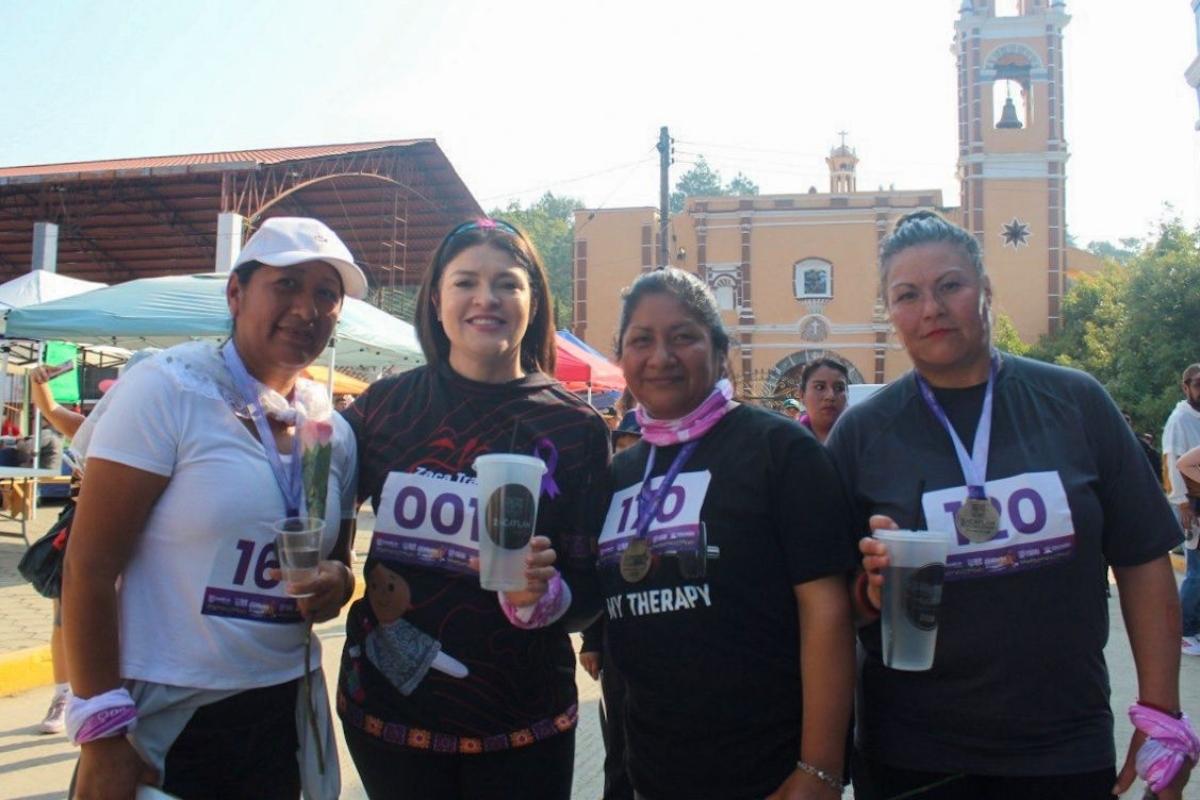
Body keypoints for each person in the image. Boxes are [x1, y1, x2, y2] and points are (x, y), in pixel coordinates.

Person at [828, 211, 1194, 799]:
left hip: (1062, 747)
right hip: (913, 754)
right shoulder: (861, 434)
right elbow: (829, 605)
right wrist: (870, 592)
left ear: (986, 289)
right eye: (907, 295)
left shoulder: (1075, 403)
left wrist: (1162, 718)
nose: (931, 308)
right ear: (890, 312)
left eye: (950, 285)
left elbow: (1143, 561)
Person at [62, 217, 363, 800]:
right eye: (286, 284)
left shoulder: (330, 430)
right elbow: (88, 567)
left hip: (283, 709)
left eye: (326, 294)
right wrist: (100, 733)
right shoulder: (169, 389)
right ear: (235, 293)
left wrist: (338, 582)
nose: (307, 308)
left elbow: (341, 564)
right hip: (169, 712)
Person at [337, 217, 610, 800]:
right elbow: (320, 515)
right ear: (436, 300)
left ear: (534, 302)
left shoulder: (577, 427)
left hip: (523, 725)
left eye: (508, 283)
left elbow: (592, 595)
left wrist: (547, 596)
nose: (487, 298)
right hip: (390, 717)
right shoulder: (383, 408)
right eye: (465, 282)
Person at [597, 267, 857, 800]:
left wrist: (821, 768)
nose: (660, 356)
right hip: (649, 771)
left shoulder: (781, 452)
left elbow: (827, 611)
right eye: (641, 340)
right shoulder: (620, 473)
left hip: (768, 773)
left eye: (683, 337)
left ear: (721, 353)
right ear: (621, 356)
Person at [27, 363, 86, 734]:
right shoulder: (93, 430)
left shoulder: (164, 434)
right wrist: (38, 380)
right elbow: (49, 409)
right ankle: (63, 696)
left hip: (137, 536)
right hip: (80, 529)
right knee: (64, 618)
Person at [1163, 363, 1200, 658]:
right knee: (1196, 571)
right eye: (1198, 384)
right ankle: (1184, 632)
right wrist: (1183, 504)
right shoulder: (1179, 420)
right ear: (1185, 387)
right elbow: (1170, 463)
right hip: (1191, 505)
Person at [796, 358, 849, 444]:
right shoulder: (788, 441)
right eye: (819, 387)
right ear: (802, 395)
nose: (830, 396)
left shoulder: (863, 438)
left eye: (839, 388)